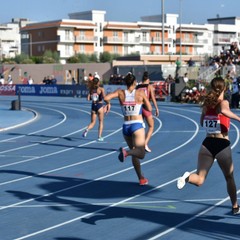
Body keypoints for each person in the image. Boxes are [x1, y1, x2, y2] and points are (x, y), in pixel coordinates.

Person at [177, 77, 240, 215]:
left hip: (207, 144)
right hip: (222, 144)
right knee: (229, 177)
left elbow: (201, 122)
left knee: (199, 179)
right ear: (224, 88)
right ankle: (235, 206)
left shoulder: (206, 104)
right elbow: (224, 111)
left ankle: (187, 177)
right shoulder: (223, 102)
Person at [104, 72, 152, 185]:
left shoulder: (120, 92)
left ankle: (141, 178)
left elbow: (106, 97)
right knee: (141, 153)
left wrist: (108, 104)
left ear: (126, 83)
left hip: (126, 126)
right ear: (135, 82)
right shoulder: (140, 93)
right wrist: (142, 103)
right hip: (137, 125)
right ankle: (126, 153)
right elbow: (149, 108)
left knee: (134, 152)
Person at [136, 71, 159, 152]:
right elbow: (152, 98)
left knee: (140, 126)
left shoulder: (138, 86)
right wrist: (156, 108)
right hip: (146, 107)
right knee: (151, 126)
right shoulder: (149, 87)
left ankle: (137, 144)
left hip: (138, 107)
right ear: (148, 79)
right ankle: (145, 144)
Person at [82, 76, 105, 141]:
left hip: (93, 106)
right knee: (101, 122)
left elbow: (88, 98)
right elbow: (104, 97)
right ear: (98, 83)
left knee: (92, 122)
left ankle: (87, 129)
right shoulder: (101, 89)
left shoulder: (91, 90)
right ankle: (99, 137)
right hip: (100, 105)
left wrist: (93, 98)